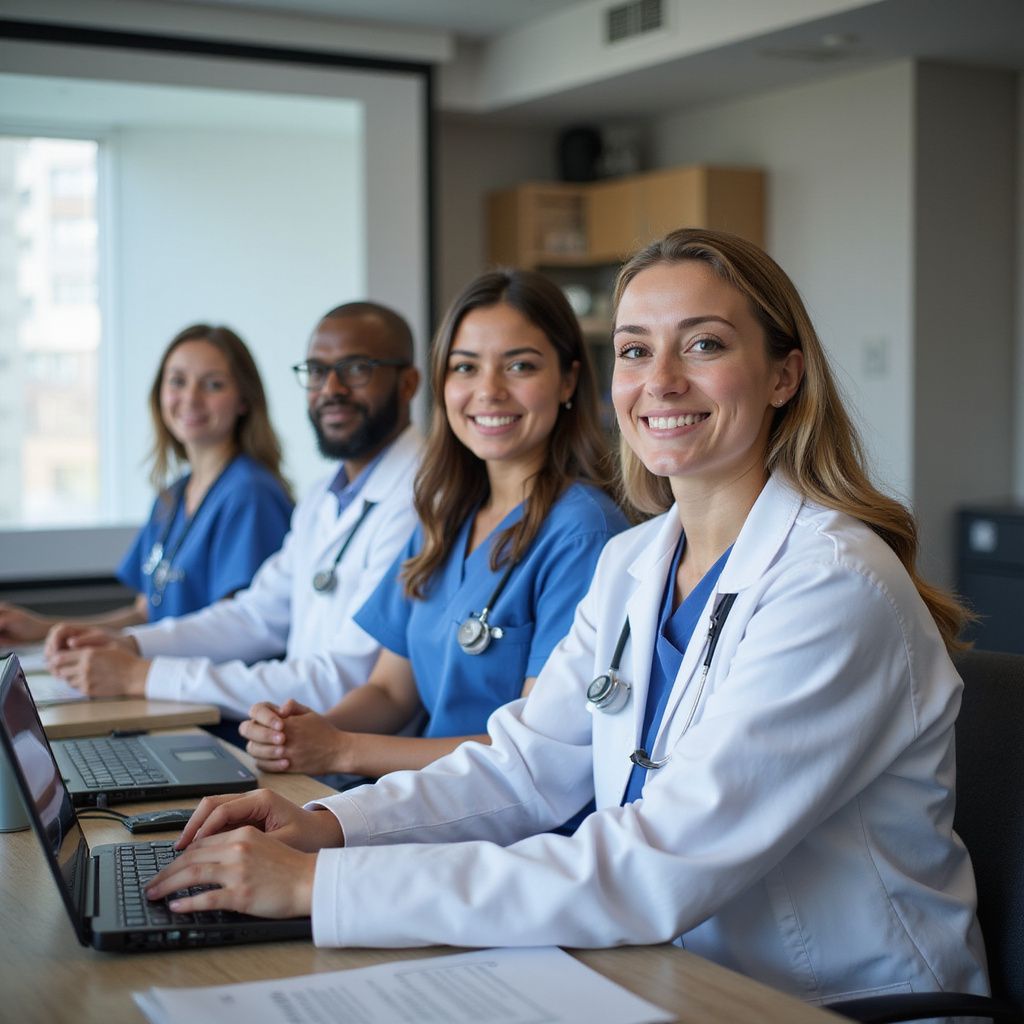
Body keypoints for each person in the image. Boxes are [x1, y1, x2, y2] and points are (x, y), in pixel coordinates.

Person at [144, 229, 988, 1007]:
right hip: (663, 970)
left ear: (783, 374)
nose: (660, 381)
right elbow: (525, 766)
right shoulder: (637, 560)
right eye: (634, 350)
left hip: (827, 1002)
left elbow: (656, 860)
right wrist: (326, 827)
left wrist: (316, 889)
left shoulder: (833, 587)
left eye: (703, 344)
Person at [239, 269, 627, 783]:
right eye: (465, 367)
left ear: (568, 380)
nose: (488, 391)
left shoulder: (584, 534)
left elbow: (535, 748)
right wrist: (303, 736)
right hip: (422, 802)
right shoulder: (445, 516)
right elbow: (390, 692)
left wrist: (341, 751)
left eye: (519, 366)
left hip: (506, 833)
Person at [44, 303, 423, 721]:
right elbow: (254, 616)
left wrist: (144, 675)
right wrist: (131, 646)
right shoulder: (323, 497)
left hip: (351, 757)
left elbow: (347, 680)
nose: (331, 388)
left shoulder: (419, 499)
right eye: (316, 371)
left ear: (408, 384)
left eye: (356, 369)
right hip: (299, 739)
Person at [0, 323, 293, 642]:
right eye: (178, 381)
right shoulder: (172, 497)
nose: (191, 398)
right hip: (163, 680)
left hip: (209, 688)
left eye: (213, 385)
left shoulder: (250, 494)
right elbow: (145, 614)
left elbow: (235, 631)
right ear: (160, 394)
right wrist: (41, 629)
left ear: (244, 401)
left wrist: (130, 663)